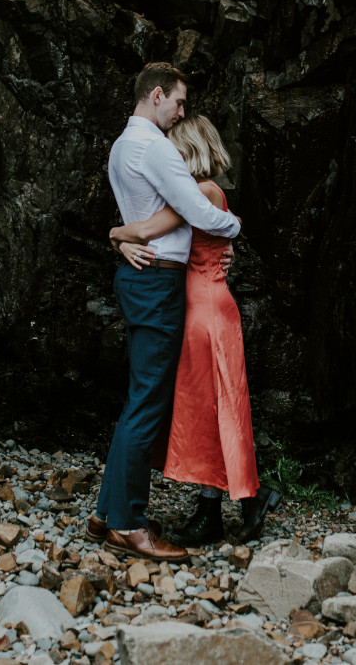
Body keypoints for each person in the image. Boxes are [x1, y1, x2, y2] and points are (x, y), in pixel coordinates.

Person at [93, 63, 242, 562]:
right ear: (156, 95)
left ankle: (106, 512)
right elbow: (197, 210)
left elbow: (139, 216)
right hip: (159, 282)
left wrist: (119, 237)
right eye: (178, 102)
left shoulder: (120, 146)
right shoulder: (155, 147)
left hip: (142, 276)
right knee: (148, 405)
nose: (182, 113)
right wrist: (235, 224)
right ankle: (130, 525)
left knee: (138, 399)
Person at [109, 114, 281, 546]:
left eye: (174, 151)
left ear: (188, 151)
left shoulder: (198, 193)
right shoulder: (210, 193)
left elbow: (148, 229)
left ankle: (228, 505)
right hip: (207, 307)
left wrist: (115, 234)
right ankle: (233, 503)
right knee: (215, 408)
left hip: (205, 312)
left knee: (214, 408)